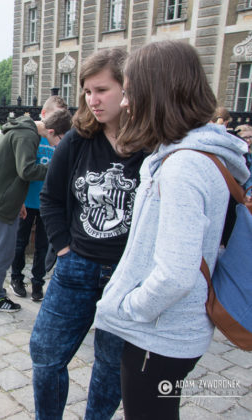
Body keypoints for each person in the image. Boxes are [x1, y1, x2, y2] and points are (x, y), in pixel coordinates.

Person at [94, 40, 250, 420]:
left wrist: (130, 307)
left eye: (130, 92)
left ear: (156, 93)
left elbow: (175, 274)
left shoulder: (182, 167)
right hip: (174, 330)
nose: (125, 103)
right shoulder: (196, 156)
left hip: (160, 334)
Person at [30, 47, 147, 420]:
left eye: (102, 90)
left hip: (128, 275)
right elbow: (50, 198)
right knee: (45, 354)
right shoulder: (79, 139)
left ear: (127, 89)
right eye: (87, 91)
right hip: (76, 267)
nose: (92, 100)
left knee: (112, 363)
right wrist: (63, 248)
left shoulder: (153, 143)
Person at [0, 107, 72, 313]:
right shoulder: (27, 135)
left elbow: (11, 168)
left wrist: (20, 201)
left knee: (2, 246)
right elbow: (26, 170)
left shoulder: (23, 129)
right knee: (4, 249)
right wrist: (57, 169)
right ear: (52, 132)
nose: (59, 145)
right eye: (61, 139)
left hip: (2, 194)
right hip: (2, 198)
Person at [10, 95, 69, 301]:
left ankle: (37, 283)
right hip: (27, 199)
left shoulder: (61, 138)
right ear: (44, 114)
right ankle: (16, 278)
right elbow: (21, 169)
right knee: (20, 242)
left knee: (43, 246)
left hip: (48, 202)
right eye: (55, 116)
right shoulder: (33, 136)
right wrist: (19, 199)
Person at [235, 124, 252, 196]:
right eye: (245, 137)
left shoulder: (249, 154)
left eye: (250, 137)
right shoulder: (236, 153)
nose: (248, 140)